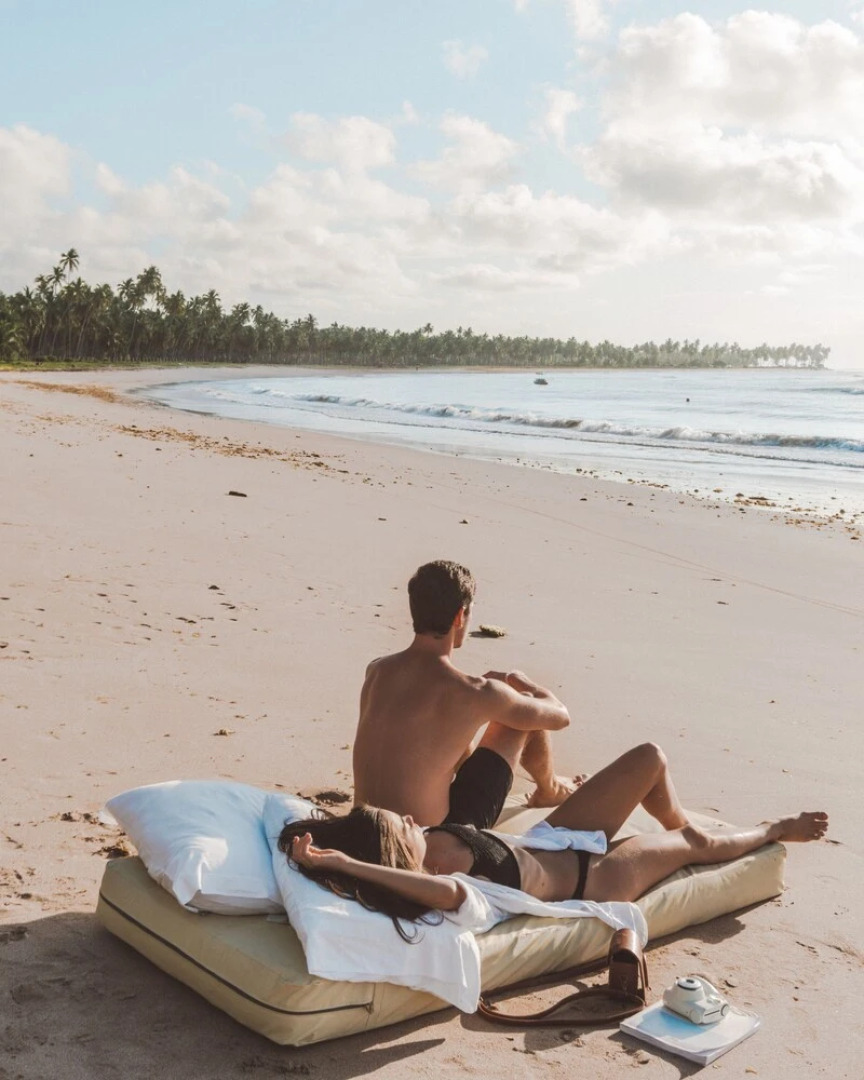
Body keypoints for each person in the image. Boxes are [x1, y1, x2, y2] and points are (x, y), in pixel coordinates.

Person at [283, 742, 828, 933]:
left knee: (649, 759)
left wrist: (318, 842)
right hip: (597, 878)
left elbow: (356, 833)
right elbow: (436, 893)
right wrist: (344, 864)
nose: (408, 819)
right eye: (398, 826)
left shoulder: (423, 839)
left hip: (557, 836)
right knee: (694, 843)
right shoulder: (443, 882)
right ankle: (774, 829)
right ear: (396, 858)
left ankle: (670, 823)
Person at [353, 560, 581, 830]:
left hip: (362, 827)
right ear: (460, 616)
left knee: (483, 719)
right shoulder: (475, 693)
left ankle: (549, 788)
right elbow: (560, 717)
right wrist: (521, 685)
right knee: (525, 711)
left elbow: (436, 742)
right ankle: (550, 790)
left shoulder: (378, 670)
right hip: (429, 839)